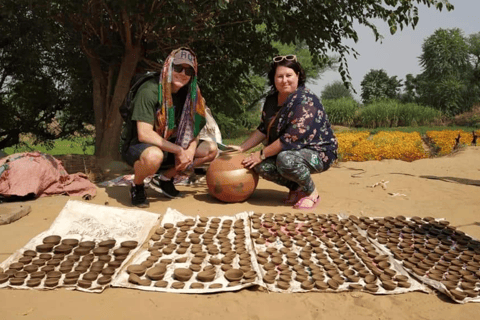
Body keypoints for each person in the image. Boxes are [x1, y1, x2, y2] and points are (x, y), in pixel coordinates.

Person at [231, 55, 338, 210]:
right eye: (280, 76)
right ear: (273, 79)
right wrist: (241, 149)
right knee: (261, 166)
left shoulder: (306, 100)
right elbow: (263, 129)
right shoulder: (271, 100)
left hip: (319, 152)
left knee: (285, 159)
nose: (284, 80)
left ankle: (312, 193)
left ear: (298, 76)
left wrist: (260, 154)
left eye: (289, 75)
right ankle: (296, 188)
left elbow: (289, 139)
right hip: (290, 151)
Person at [122, 48, 218, 207]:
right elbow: (144, 134)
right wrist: (180, 151)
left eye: (189, 71)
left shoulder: (192, 94)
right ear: (168, 66)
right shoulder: (149, 90)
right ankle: (137, 186)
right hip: (140, 146)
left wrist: (190, 151)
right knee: (154, 156)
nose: (183, 73)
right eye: (178, 67)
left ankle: (165, 178)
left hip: (171, 146)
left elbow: (195, 129)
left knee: (211, 149)